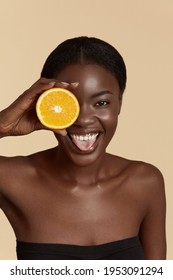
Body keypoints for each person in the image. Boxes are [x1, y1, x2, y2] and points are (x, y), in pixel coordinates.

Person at [0, 36, 166, 260]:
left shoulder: (145, 182)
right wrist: (3, 125)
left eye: (101, 103)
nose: (83, 119)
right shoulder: (14, 179)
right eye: (70, 103)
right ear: (45, 101)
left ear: (120, 104)